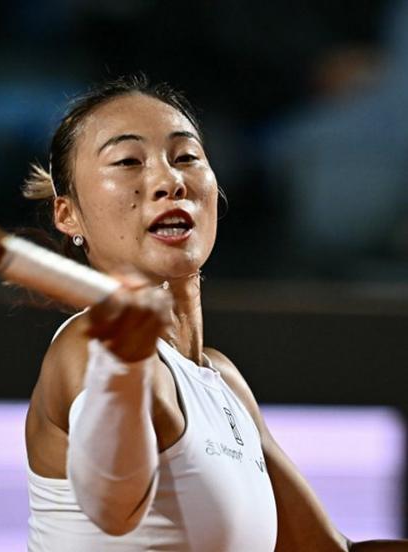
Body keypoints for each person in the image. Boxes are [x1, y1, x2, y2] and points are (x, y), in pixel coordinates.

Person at [22, 75, 408, 551]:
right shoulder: (89, 346)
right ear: (68, 214)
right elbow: (111, 507)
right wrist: (120, 367)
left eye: (186, 157)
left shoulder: (223, 381)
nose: (169, 180)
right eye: (127, 161)